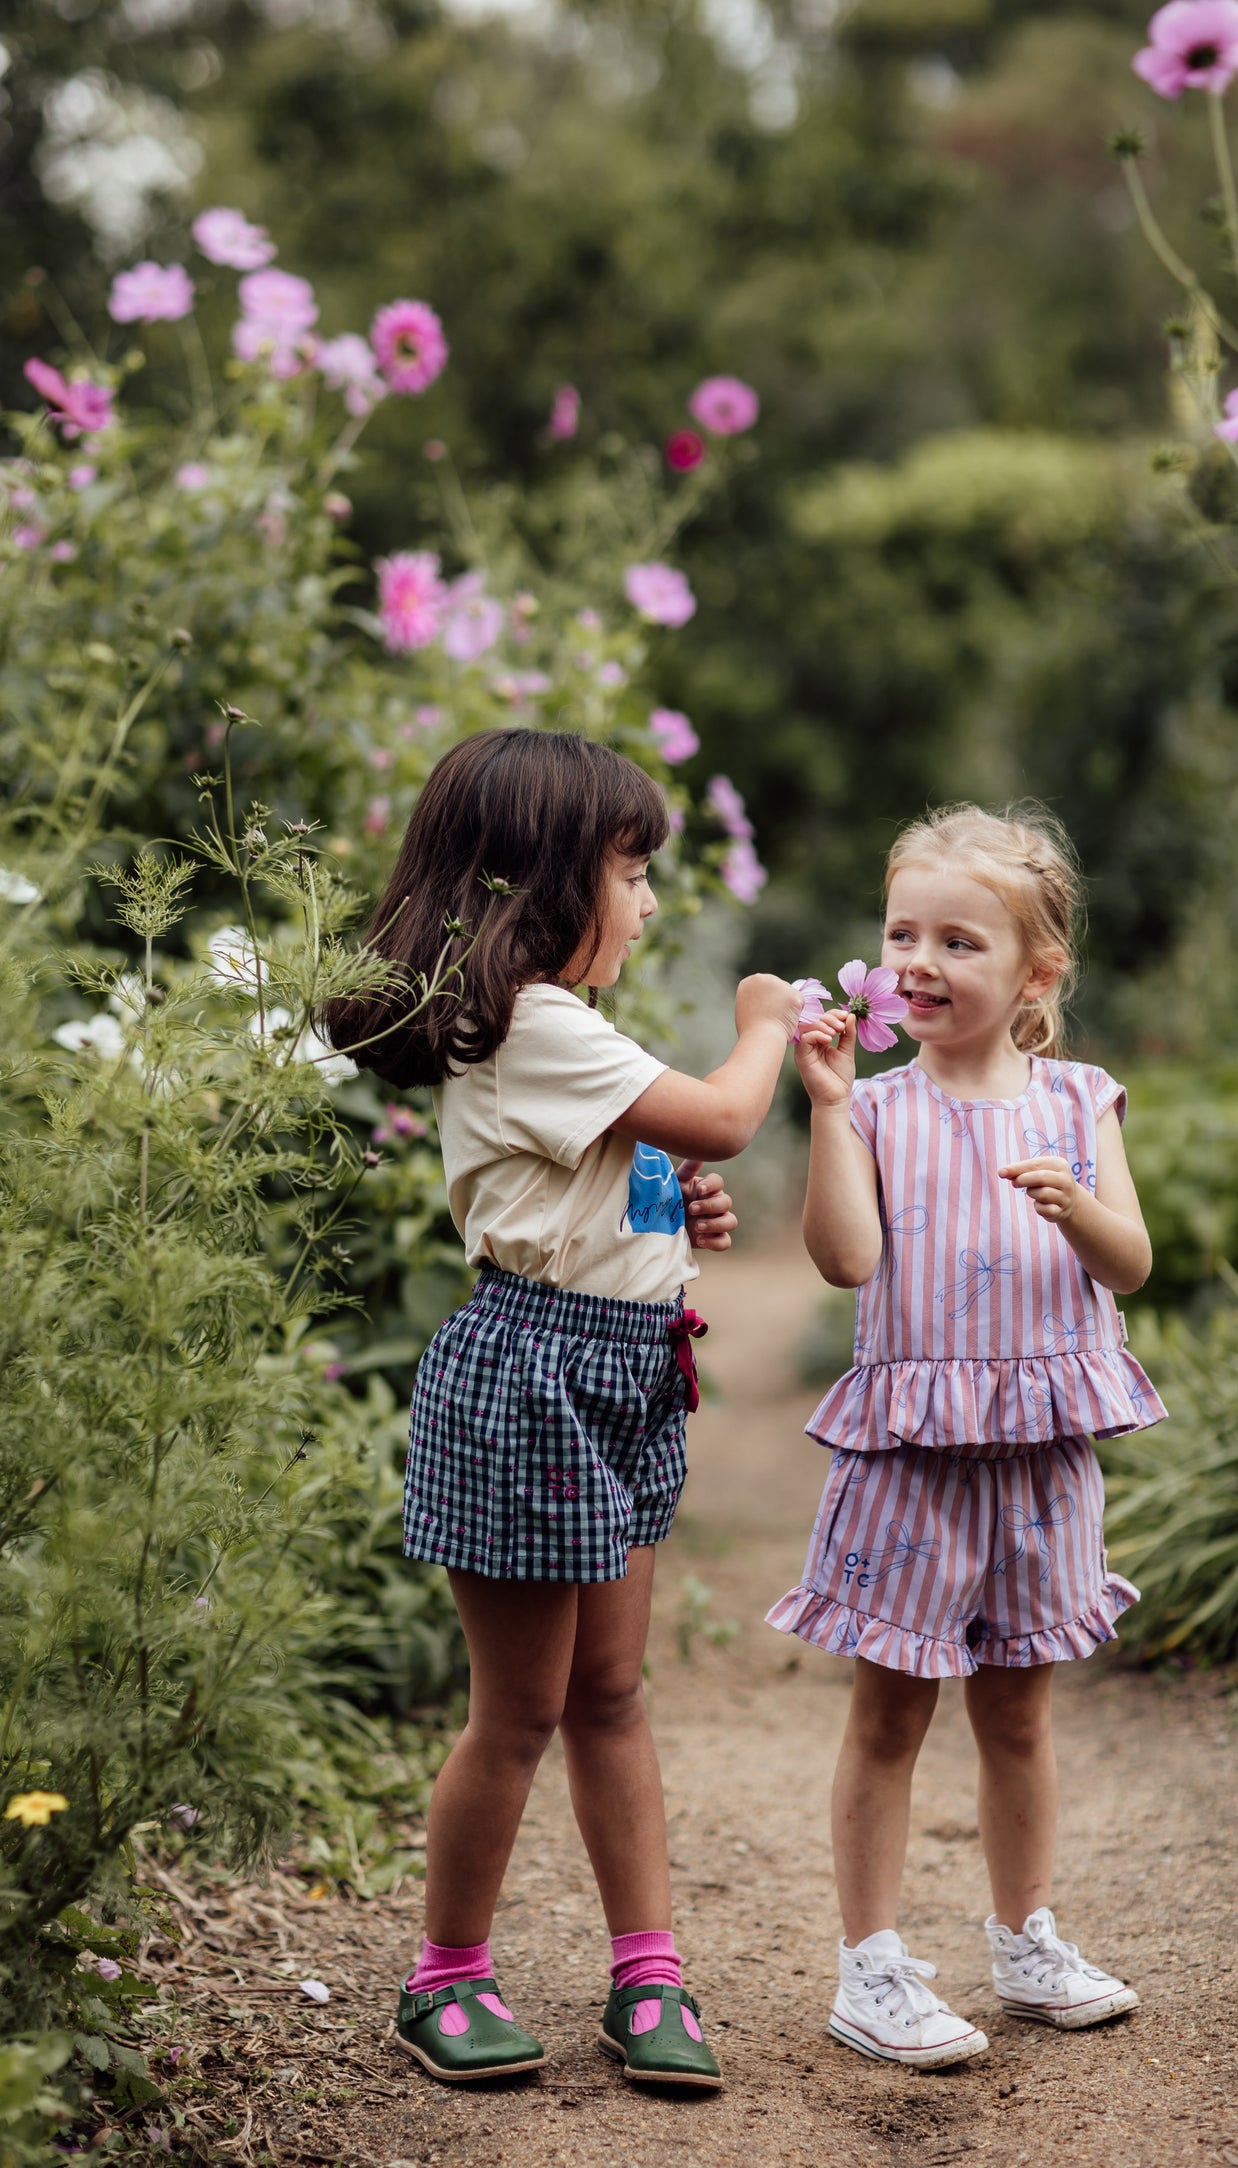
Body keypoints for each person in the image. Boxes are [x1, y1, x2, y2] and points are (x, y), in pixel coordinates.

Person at [328, 728, 801, 2092]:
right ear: (543, 882)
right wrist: (761, 1030)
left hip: (626, 1365)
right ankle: (447, 1978)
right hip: (536, 1375)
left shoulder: (564, 1029)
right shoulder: (534, 1021)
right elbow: (715, 1116)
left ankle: (647, 1971)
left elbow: (642, 1165)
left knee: (611, 1692)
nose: (649, 904)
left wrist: (672, 1210)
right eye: (631, 874)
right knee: (522, 1709)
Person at [767, 802, 1166, 2067]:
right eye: (901, 934)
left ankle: (1022, 1936)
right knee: (889, 1716)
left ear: (1035, 971)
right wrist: (826, 1105)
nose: (919, 961)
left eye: (958, 939)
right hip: (912, 1454)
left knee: (1018, 1716)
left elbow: (1134, 1260)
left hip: (1043, 1449)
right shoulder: (877, 1108)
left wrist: (1076, 1210)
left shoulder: (1077, 1099)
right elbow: (844, 1260)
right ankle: (868, 1966)